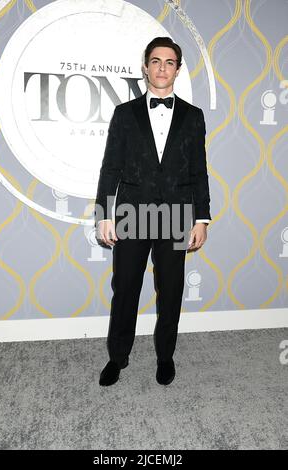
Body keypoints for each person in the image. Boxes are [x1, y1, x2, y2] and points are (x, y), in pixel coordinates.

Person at [94, 37, 211, 386]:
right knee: (126, 288)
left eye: (170, 61)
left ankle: (165, 356)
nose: (162, 67)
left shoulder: (193, 116)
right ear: (145, 67)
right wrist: (104, 214)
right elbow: (110, 166)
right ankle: (118, 357)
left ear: (178, 68)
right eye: (156, 61)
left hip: (175, 215)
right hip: (132, 213)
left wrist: (202, 218)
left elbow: (198, 171)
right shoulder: (124, 114)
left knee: (172, 290)